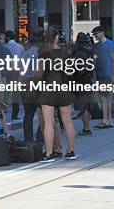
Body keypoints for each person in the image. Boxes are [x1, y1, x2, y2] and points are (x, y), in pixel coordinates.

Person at [37, 26, 76, 162]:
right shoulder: (66, 52)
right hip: (64, 88)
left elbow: (39, 74)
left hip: (49, 88)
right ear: (56, 37)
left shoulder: (43, 53)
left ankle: (49, 153)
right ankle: (71, 151)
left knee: (49, 122)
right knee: (68, 121)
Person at [92, 26, 114, 129]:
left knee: (104, 97)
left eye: (96, 34)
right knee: (107, 97)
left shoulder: (109, 44)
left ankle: (105, 120)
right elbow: (95, 58)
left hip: (106, 73)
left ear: (102, 33)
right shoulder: (97, 45)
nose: (95, 36)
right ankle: (109, 120)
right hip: (100, 73)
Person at [21, 28, 44, 143]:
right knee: (44, 115)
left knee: (28, 115)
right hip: (39, 87)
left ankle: (28, 139)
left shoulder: (25, 54)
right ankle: (40, 137)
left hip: (26, 86)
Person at [72, 32, 96, 137]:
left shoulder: (80, 53)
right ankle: (87, 127)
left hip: (81, 80)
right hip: (90, 79)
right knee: (87, 105)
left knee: (83, 106)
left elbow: (77, 68)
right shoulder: (92, 51)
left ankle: (86, 129)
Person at [5, 30, 25, 120]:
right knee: (15, 94)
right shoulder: (20, 47)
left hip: (6, 72)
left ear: (7, 37)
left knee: (5, 92)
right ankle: (14, 114)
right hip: (17, 72)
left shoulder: (4, 47)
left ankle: (2, 111)